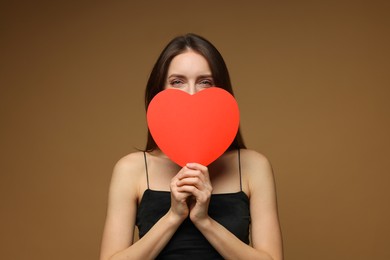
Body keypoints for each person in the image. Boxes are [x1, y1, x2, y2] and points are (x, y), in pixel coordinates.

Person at [100, 33, 283, 260]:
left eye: (205, 82)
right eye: (177, 81)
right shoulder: (131, 169)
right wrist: (173, 216)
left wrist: (204, 221)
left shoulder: (253, 165)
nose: (191, 93)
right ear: (159, 90)